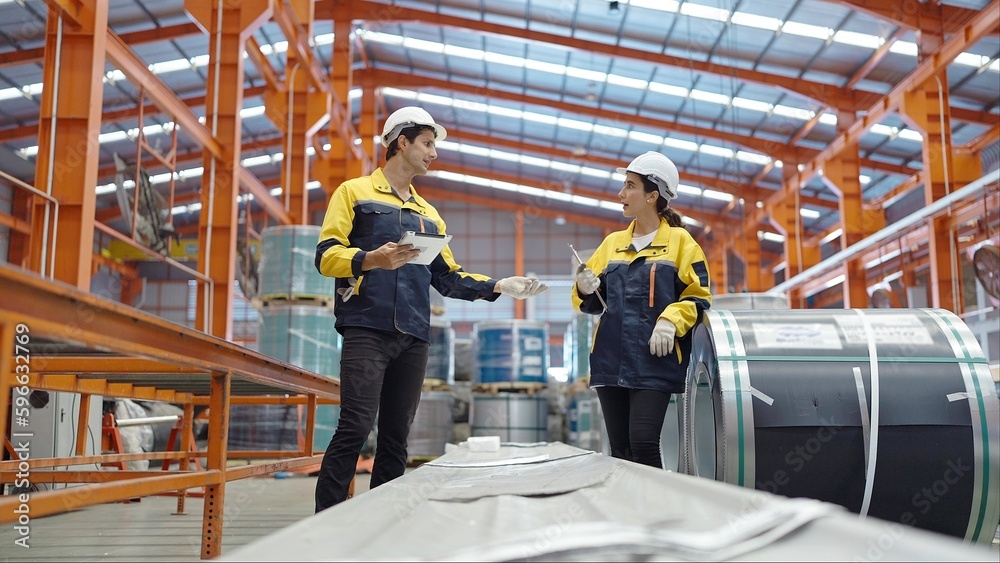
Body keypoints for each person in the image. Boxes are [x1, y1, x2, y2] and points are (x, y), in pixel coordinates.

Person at [313, 106, 548, 511]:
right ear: (401, 142)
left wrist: (498, 285)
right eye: (427, 143)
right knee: (354, 426)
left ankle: (384, 522)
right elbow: (325, 256)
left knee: (396, 436)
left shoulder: (429, 215)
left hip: (414, 337)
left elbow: (447, 277)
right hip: (367, 330)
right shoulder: (353, 193)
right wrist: (372, 259)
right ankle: (327, 522)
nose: (433, 153)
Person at [571, 151, 711, 468]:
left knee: (644, 445)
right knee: (619, 452)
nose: (621, 194)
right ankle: (627, 514)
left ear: (652, 195)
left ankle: (655, 514)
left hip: (654, 360)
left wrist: (670, 321)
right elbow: (591, 304)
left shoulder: (681, 243)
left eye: (630, 186)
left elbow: (699, 297)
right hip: (610, 358)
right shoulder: (611, 244)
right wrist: (584, 287)